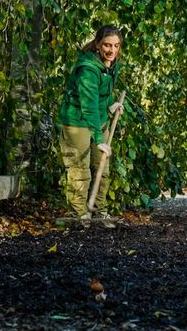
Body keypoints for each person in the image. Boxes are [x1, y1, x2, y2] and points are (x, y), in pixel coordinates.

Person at [58, 25, 124, 224]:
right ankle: (80, 214)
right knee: (80, 170)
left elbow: (100, 96)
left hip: (98, 121)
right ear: (97, 45)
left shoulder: (111, 65)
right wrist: (97, 138)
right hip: (77, 122)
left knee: (102, 169)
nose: (112, 50)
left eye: (116, 46)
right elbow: (88, 106)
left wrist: (110, 105)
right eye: (107, 45)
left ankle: (99, 210)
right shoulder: (87, 69)